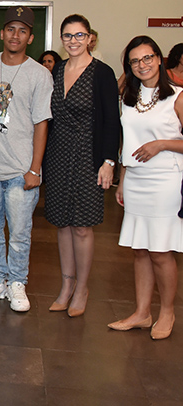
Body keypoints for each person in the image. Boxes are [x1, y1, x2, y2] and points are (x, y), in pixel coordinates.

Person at [0, 6, 53, 312]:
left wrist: (35, 168)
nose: (15, 35)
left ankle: (17, 282)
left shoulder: (39, 74)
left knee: (20, 233)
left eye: (22, 30)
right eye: (11, 29)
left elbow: (41, 123)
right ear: (2, 33)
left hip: (22, 169)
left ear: (30, 37)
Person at [43, 14, 120, 317]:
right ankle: (66, 285)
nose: (73, 41)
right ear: (61, 40)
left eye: (79, 35)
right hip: (59, 152)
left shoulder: (102, 73)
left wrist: (108, 161)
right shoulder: (57, 69)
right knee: (62, 222)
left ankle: (83, 288)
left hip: (89, 155)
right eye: (67, 36)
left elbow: (112, 122)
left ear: (90, 38)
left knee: (83, 227)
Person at [110, 36, 183, 340]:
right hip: (136, 180)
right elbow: (128, 143)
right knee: (140, 249)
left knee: (160, 252)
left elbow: (161, 143)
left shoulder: (177, 97)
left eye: (148, 58)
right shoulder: (128, 99)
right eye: (135, 61)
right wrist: (123, 181)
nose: (142, 65)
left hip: (166, 181)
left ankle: (167, 311)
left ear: (160, 59)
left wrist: (162, 144)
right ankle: (142, 312)